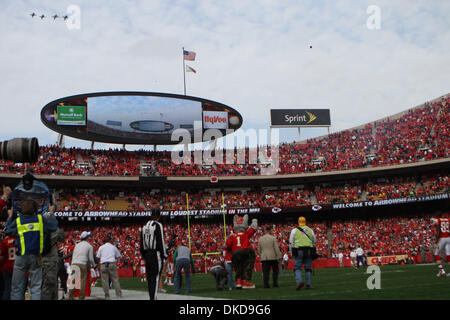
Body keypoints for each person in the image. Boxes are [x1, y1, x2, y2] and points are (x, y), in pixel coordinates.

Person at [5, 198, 58, 300]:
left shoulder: (18, 221)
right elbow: (54, 226)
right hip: (36, 256)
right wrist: (51, 213)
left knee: (17, 287)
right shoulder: (40, 219)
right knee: (36, 287)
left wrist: (10, 216)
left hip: (21, 257)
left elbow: (7, 230)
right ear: (35, 209)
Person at [140, 208, 168, 300]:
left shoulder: (144, 225)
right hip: (155, 254)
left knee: (150, 278)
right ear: (158, 216)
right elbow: (161, 241)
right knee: (156, 277)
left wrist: (143, 254)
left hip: (147, 253)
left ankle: (151, 297)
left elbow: (141, 241)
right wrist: (164, 254)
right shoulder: (158, 225)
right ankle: (153, 298)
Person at [225, 215, 258, 289]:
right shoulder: (246, 233)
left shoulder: (233, 236)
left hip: (235, 252)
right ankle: (245, 282)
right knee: (247, 266)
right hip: (246, 250)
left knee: (238, 268)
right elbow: (253, 228)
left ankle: (239, 282)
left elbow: (226, 245)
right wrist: (254, 221)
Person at [289, 216, 316, 290]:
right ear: (305, 222)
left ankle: (299, 282)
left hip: (298, 251)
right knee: (308, 268)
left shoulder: (294, 230)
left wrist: (291, 252)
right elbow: (314, 240)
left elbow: (291, 242)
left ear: (298, 222)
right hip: (308, 250)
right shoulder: (310, 230)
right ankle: (308, 284)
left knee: (297, 268)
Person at [68, 231, 96, 300]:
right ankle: (81, 297)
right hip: (82, 263)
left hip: (74, 263)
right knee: (82, 281)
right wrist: (94, 265)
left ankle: (70, 297)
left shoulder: (77, 245)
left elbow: (73, 255)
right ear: (87, 237)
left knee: (73, 281)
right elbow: (91, 259)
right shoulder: (89, 246)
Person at [41, 225, 65, 300]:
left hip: (41, 259)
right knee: (49, 284)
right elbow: (62, 238)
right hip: (50, 260)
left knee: (46, 284)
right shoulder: (55, 232)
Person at [96, 233, 123, 299]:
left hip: (103, 264)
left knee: (105, 281)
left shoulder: (101, 247)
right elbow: (119, 256)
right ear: (110, 241)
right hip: (111, 263)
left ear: (104, 241)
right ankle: (118, 295)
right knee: (115, 280)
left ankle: (107, 295)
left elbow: (97, 257)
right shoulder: (113, 247)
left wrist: (98, 265)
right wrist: (117, 262)